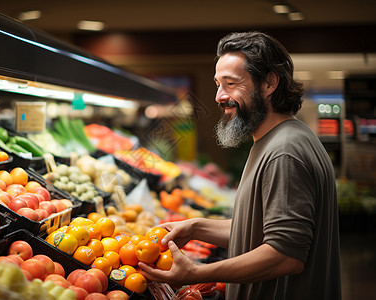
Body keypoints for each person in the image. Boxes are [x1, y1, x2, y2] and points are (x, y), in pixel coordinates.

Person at [138, 31, 341, 300]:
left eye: (231, 84)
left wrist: (199, 273)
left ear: (269, 83)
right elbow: (259, 229)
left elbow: (285, 256)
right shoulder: (279, 139)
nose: (219, 96)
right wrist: (197, 227)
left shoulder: (284, 151)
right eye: (218, 84)